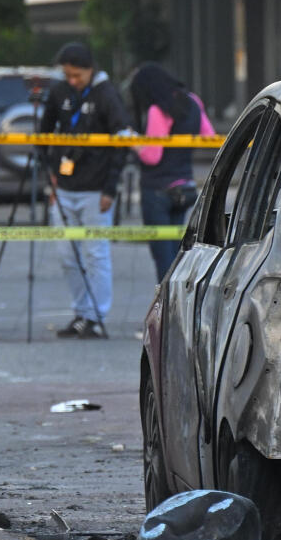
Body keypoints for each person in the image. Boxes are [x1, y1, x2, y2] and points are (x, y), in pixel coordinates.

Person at [37, 41, 130, 338]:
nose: (73, 81)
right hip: (63, 186)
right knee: (67, 255)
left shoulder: (106, 95)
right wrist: (50, 173)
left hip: (95, 190)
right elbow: (44, 132)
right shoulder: (60, 91)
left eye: (78, 75)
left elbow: (122, 141)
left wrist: (110, 189)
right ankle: (80, 312)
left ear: (91, 69)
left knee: (95, 254)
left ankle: (96, 315)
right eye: (68, 76)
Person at [126, 61, 212, 280]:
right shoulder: (193, 102)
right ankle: (177, 308)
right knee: (177, 257)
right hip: (185, 187)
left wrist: (132, 140)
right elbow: (208, 138)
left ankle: (165, 309)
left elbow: (152, 156)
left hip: (157, 191)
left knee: (163, 261)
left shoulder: (158, 110)